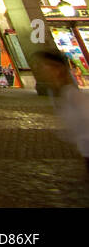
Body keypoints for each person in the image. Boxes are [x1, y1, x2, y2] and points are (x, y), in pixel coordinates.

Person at [34, 51, 89, 180]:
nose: (39, 69)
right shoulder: (57, 92)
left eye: (43, 66)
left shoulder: (71, 93)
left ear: (57, 69)